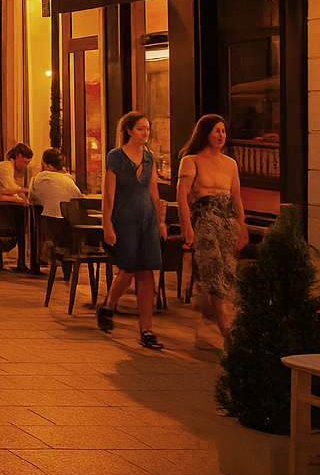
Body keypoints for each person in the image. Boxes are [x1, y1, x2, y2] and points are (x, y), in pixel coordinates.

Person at [98, 111, 169, 349]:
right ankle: (108, 306)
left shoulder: (148, 158)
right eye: (140, 128)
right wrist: (107, 223)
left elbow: (154, 190)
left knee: (147, 272)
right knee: (127, 270)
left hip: (147, 218)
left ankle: (146, 330)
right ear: (129, 130)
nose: (145, 133)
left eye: (147, 128)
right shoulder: (116, 157)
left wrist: (160, 221)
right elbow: (108, 193)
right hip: (125, 217)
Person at [176, 114, 249, 338]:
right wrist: (186, 227)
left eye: (223, 131)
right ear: (205, 133)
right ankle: (225, 329)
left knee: (228, 271)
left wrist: (242, 224)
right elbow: (182, 196)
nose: (221, 135)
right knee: (213, 270)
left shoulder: (230, 164)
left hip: (227, 221)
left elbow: (236, 196)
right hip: (205, 219)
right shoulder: (191, 160)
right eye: (216, 130)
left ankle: (225, 321)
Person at [30, 148, 84, 219]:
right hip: (72, 222)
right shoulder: (69, 179)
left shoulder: (41, 177)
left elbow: (32, 198)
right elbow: (79, 198)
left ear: (46, 165)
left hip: (51, 222)